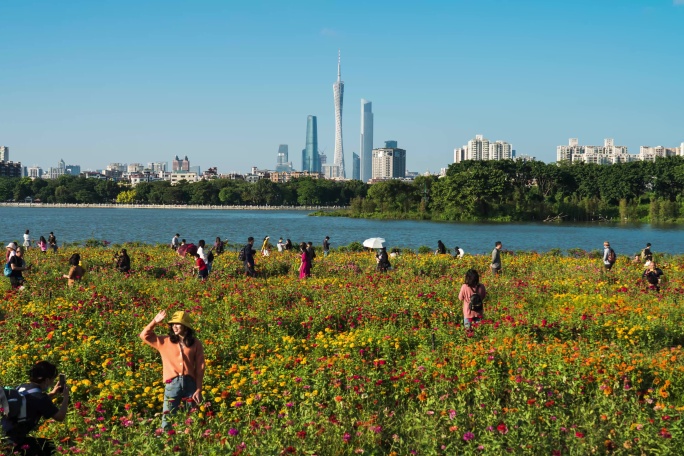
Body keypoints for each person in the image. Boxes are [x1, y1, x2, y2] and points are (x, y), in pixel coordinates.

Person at [139, 310, 205, 429]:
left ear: (185, 326)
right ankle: (166, 445)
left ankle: (189, 444)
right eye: (172, 324)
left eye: (178, 323)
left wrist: (199, 388)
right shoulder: (164, 341)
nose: (174, 326)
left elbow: (200, 367)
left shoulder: (195, 343)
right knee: (167, 418)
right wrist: (154, 322)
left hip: (190, 384)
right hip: (172, 384)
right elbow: (144, 335)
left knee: (191, 419)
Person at [0, 360, 69, 456]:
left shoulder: (22, 387)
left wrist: (52, 394)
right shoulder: (41, 398)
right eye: (53, 379)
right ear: (47, 380)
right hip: (13, 444)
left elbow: (32, 400)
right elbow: (60, 417)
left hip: (3, 436)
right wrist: (66, 397)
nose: (52, 382)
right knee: (49, 446)